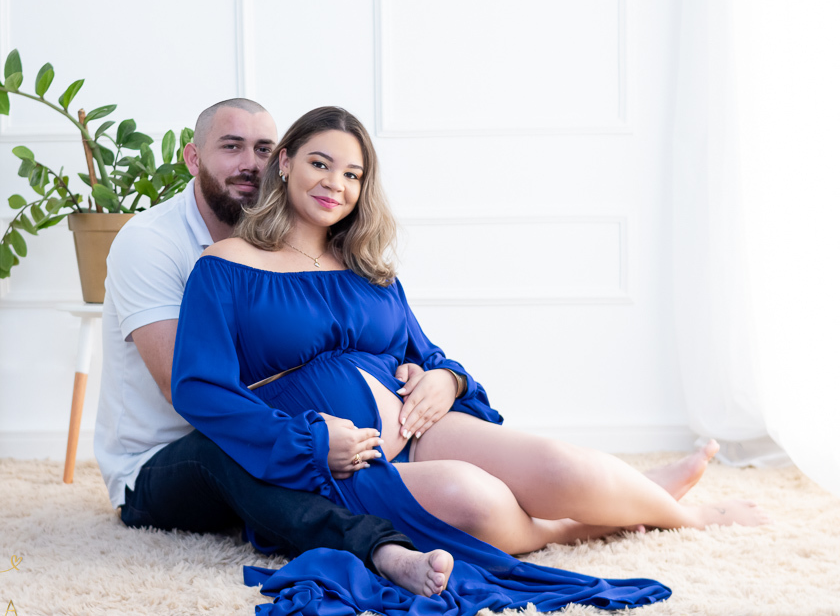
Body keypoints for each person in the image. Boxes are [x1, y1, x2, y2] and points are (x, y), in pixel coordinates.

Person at [170, 106, 769, 612]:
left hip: (419, 426)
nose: (336, 184)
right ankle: (609, 515)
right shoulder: (227, 265)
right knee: (477, 502)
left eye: (353, 174)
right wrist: (306, 443)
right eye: (320, 164)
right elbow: (202, 389)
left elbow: (426, 353)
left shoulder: (369, 269)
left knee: (561, 467)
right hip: (341, 460)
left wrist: (444, 380)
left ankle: (682, 515)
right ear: (286, 163)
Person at [94, 98, 453, 597]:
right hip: (165, 457)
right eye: (231, 147)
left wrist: (430, 376)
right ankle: (380, 549)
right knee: (226, 447)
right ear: (193, 159)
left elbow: (395, 343)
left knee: (271, 443)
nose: (251, 163)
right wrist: (311, 430)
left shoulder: (287, 242)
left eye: (263, 147)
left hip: (266, 431)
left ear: (281, 158)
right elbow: (188, 390)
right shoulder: (151, 244)